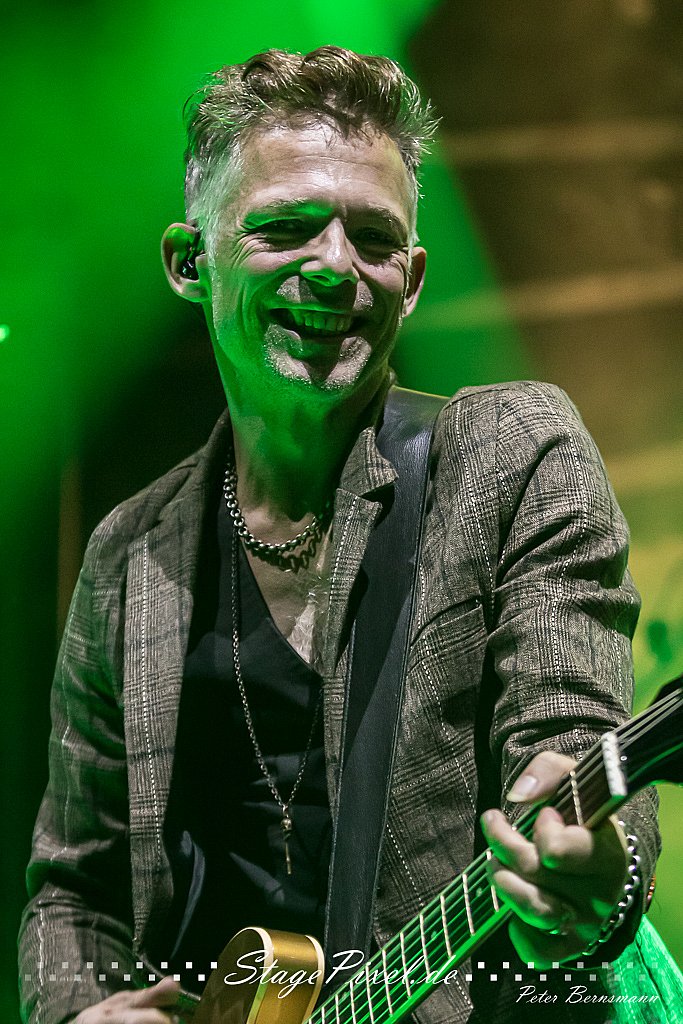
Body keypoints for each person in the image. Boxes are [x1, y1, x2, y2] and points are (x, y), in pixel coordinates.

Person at [18, 47, 660, 1024]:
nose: (332, 266)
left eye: (372, 237)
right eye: (284, 227)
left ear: (413, 278)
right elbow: (74, 888)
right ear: (189, 262)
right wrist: (77, 1009)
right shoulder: (127, 553)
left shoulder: (508, 457)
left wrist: (591, 878)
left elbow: (573, 741)